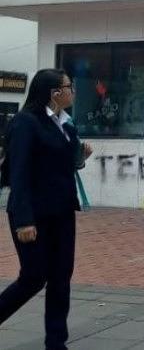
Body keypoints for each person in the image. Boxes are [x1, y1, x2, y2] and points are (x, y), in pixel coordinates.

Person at [0, 69, 92, 349]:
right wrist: (24, 220)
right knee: (33, 277)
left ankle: (56, 341)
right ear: (54, 93)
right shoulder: (26, 123)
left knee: (61, 277)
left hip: (62, 212)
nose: (72, 91)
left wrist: (80, 156)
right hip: (33, 214)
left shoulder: (66, 124)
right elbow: (20, 172)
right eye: (69, 86)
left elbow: (60, 165)